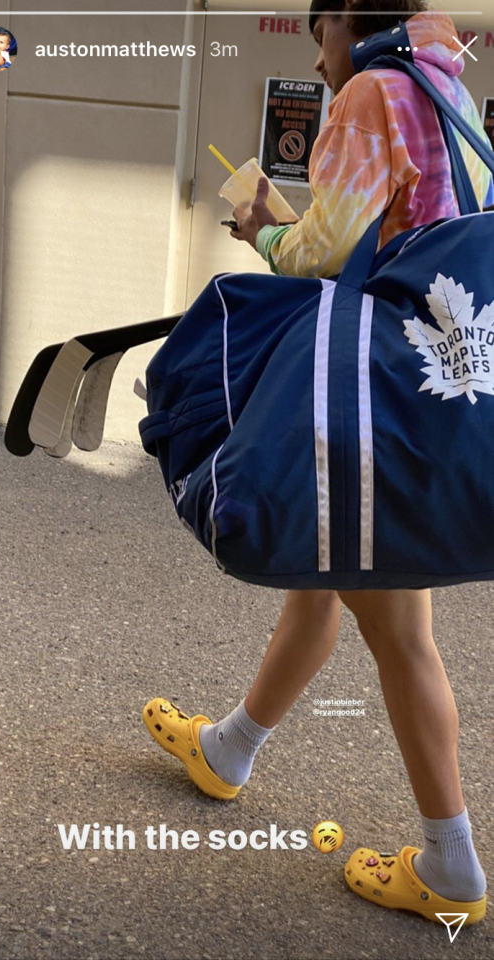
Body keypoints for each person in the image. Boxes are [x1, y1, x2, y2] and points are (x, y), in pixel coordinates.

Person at [143, 0, 491, 925]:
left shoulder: (372, 93)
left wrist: (262, 226)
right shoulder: (447, 95)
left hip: (375, 417)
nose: (319, 54)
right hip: (427, 407)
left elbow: (323, 256)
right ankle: (229, 752)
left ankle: (453, 864)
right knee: (321, 583)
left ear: (346, 19)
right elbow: (401, 244)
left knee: (402, 640)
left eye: (318, 30)